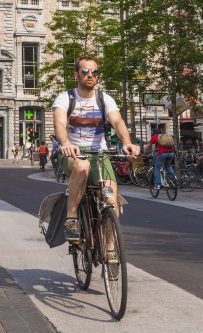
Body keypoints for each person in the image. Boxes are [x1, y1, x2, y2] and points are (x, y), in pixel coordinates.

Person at [54, 56, 139, 242]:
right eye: (85, 72)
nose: (90, 75)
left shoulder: (103, 98)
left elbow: (117, 120)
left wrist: (127, 142)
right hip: (73, 153)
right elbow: (60, 124)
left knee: (110, 200)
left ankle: (110, 250)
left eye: (94, 72)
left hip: (100, 154)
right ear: (77, 75)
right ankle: (72, 217)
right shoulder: (65, 98)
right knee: (82, 167)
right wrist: (66, 143)